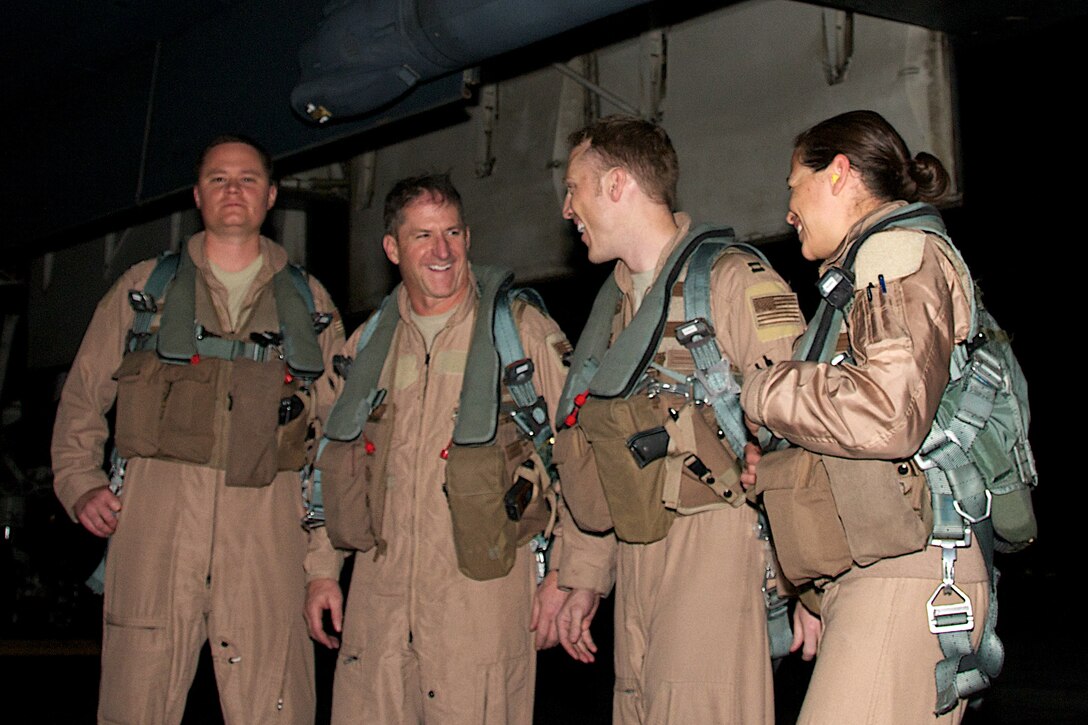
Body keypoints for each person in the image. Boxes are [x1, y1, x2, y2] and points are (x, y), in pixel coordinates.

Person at [51, 135, 344, 724]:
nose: (233, 190)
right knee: (135, 706)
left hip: (267, 540)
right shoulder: (144, 290)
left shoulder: (310, 303)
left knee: (275, 708)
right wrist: (80, 482)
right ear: (196, 195)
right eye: (218, 179)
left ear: (271, 196)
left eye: (247, 179)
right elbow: (82, 396)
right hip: (155, 535)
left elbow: (336, 444)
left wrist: (321, 566)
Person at [740, 110, 991, 724]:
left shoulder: (893, 253)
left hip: (910, 569)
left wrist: (765, 390)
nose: (789, 209)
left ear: (839, 174)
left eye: (795, 183)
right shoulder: (864, 268)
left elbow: (887, 414)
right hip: (883, 568)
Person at [552, 115, 805, 724]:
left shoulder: (729, 281)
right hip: (639, 552)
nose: (567, 209)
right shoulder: (614, 308)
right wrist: (586, 577)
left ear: (617, 184)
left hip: (717, 549)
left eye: (574, 188)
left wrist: (809, 585)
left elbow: (802, 432)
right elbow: (602, 447)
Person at [304, 174, 574, 725]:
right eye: (423, 236)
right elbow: (330, 460)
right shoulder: (367, 347)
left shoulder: (519, 334)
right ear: (392, 248)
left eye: (452, 233)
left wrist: (566, 578)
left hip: (482, 606)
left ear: (468, 238)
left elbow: (576, 450)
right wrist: (322, 570)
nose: (442, 250)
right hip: (378, 612)